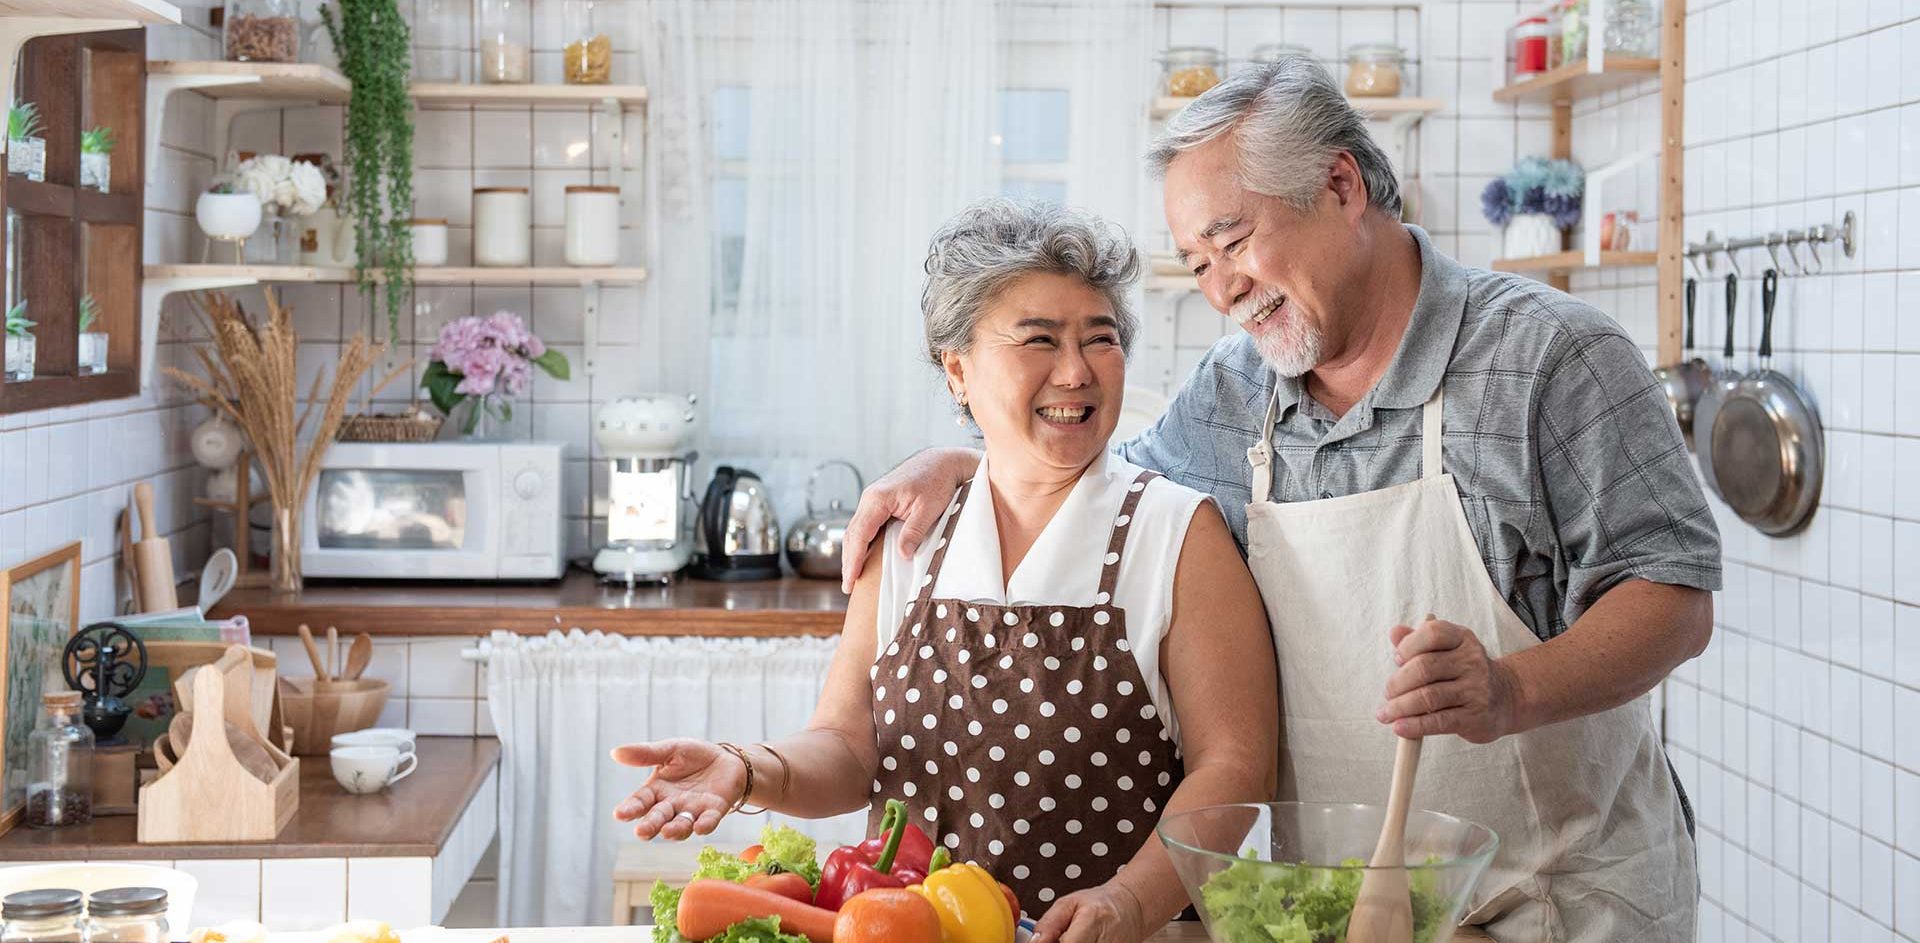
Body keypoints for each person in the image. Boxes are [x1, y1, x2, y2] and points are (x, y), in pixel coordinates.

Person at [841, 58, 1718, 942]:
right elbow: (1090, 479)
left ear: (1340, 185)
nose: (1221, 286)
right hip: (1341, 908)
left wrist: (1507, 689)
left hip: (1557, 898)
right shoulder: (1234, 392)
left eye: (1232, 240)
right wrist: (959, 456)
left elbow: (1673, 597)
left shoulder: (1553, 358)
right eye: (1197, 262)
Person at [614, 199, 1278, 943]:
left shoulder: (1176, 533)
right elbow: (846, 746)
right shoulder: (912, 535)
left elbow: (1236, 768)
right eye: (1039, 339)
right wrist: (746, 767)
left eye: (1102, 338)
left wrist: (1125, 901)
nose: (1076, 370)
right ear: (957, 368)